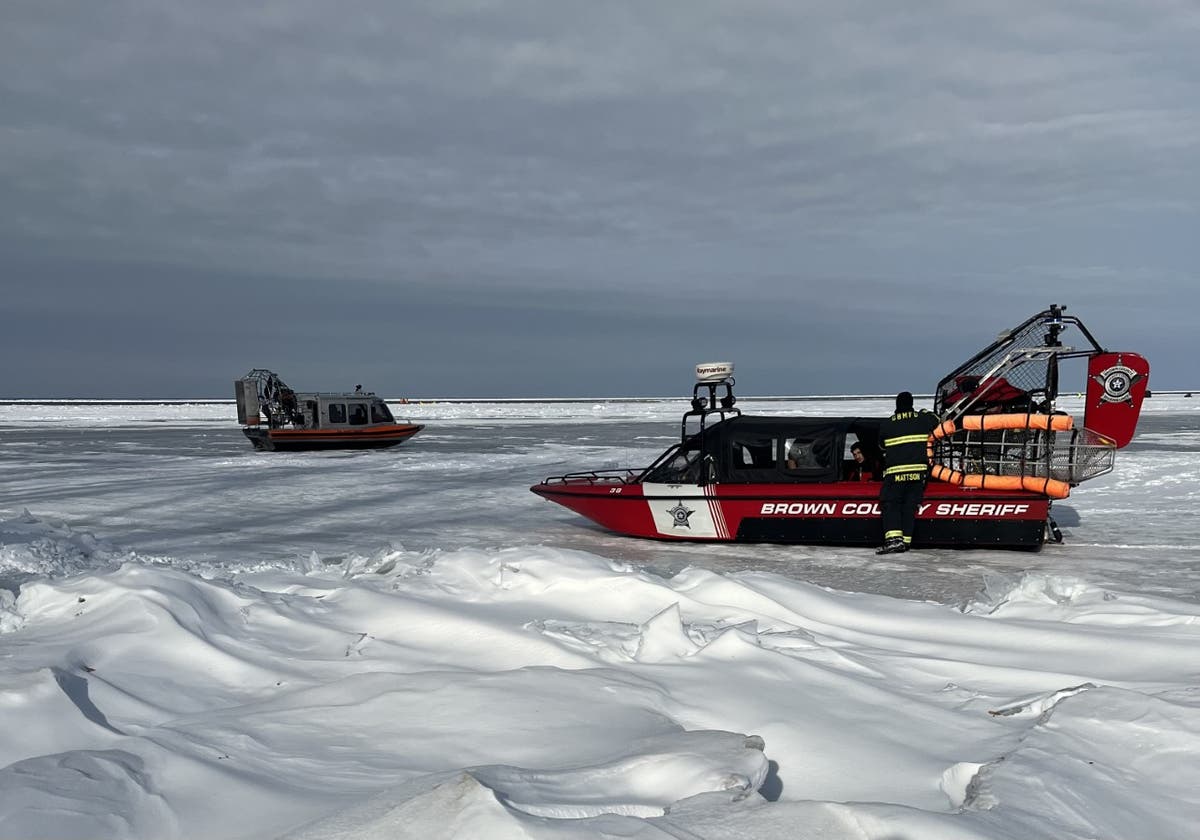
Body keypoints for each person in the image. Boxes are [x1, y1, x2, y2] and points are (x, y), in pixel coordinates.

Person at [876, 391, 940, 554]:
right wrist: (925, 412)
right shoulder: (922, 419)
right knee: (909, 507)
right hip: (919, 474)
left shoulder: (888, 424)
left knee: (891, 504)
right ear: (911, 404)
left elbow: (881, 446)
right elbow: (937, 420)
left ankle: (893, 540)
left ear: (897, 405)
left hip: (895, 473)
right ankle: (906, 541)